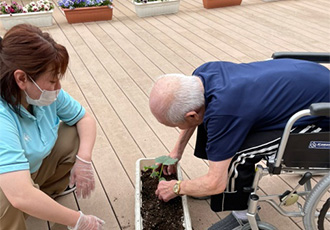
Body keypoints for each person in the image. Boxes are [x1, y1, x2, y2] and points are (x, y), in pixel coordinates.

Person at [149, 59, 330, 229]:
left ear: (190, 115)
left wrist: (177, 187)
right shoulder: (202, 74)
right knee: (210, 122)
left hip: (320, 119)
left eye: (176, 125)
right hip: (308, 81)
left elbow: (216, 185)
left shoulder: (225, 112)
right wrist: (176, 152)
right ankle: (216, 173)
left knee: (239, 154)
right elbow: (197, 116)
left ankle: (242, 216)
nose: (178, 127)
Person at [0, 24, 104, 230]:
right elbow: (19, 194)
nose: (58, 88)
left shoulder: (42, 94)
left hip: (32, 170)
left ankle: (44, 195)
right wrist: (78, 220)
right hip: (10, 185)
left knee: (73, 134)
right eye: (52, 80)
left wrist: (84, 160)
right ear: (21, 79)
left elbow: (85, 119)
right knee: (7, 195)